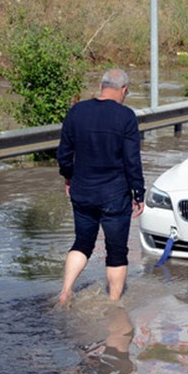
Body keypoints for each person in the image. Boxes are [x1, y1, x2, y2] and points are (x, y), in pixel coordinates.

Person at [57, 68, 145, 304]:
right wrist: (139, 192)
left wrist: (68, 177)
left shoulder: (76, 112)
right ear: (124, 90)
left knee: (82, 243)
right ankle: (114, 304)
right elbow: (132, 160)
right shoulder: (126, 117)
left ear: (101, 85)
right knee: (116, 251)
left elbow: (64, 154)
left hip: (83, 192)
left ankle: (65, 291)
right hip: (115, 195)